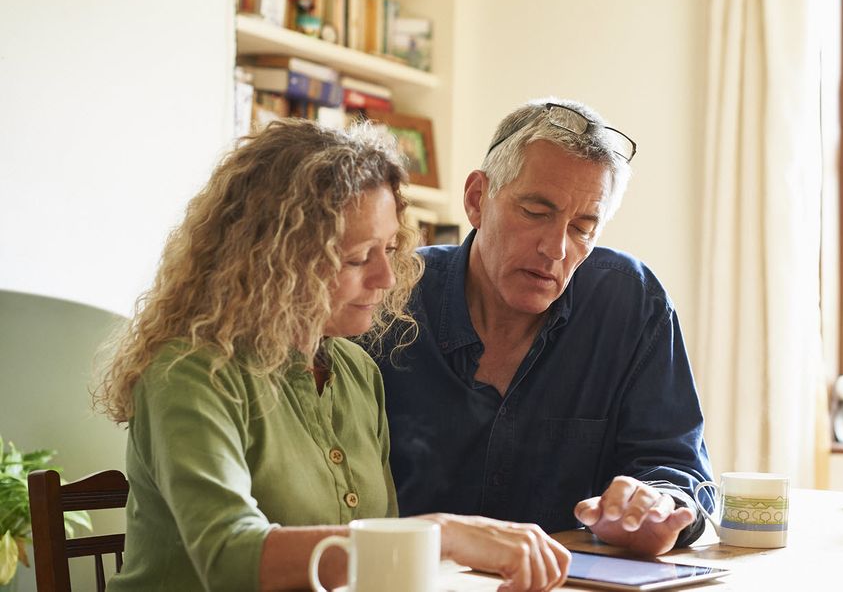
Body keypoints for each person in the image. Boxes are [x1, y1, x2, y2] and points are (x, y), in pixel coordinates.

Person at [95, 119, 570, 591]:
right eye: (360, 257)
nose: (387, 277)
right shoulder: (190, 373)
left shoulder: (356, 371)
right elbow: (230, 559)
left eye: (389, 248)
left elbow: (372, 573)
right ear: (276, 260)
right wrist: (438, 536)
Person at [375, 98, 714, 556]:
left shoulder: (631, 304)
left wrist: (657, 507)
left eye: (583, 228)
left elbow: (676, 468)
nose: (555, 249)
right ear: (477, 199)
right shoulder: (387, 297)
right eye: (536, 212)